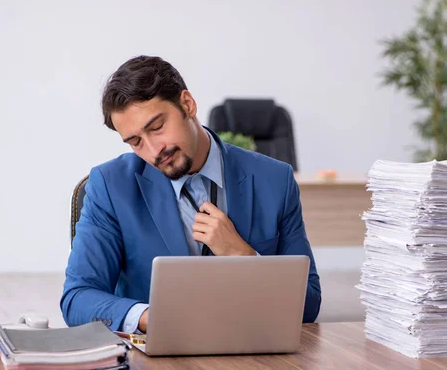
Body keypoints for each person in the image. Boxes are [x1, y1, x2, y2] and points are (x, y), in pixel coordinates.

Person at [61, 56, 321, 333]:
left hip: (254, 351)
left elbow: (309, 304)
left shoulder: (275, 180)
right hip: (159, 362)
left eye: (157, 127)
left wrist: (242, 256)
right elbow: (78, 299)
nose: (153, 150)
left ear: (187, 104)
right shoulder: (110, 186)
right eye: (135, 142)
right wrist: (157, 318)